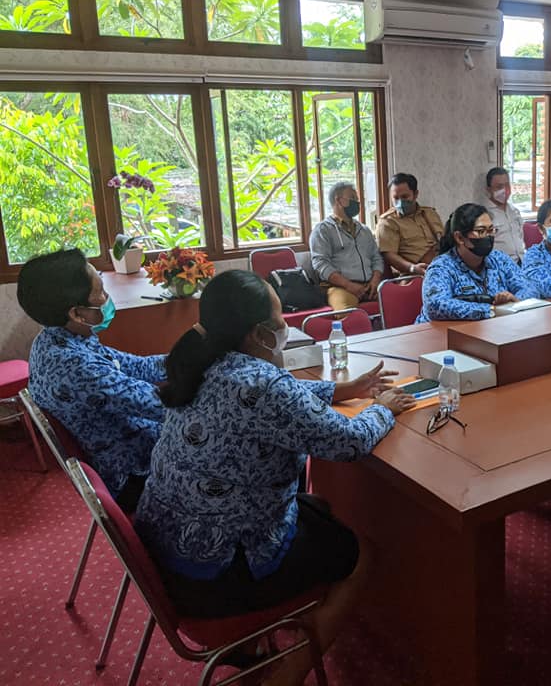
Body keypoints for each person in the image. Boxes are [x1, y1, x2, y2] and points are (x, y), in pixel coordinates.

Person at [136, 269, 415, 686]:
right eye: (280, 319)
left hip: (169, 550)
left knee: (318, 508)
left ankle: (253, 644)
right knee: (361, 554)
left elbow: (278, 401)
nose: (286, 325)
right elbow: (348, 442)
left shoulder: (199, 361)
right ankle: (287, 674)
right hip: (219, 572)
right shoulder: (260, 382)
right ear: (258, 334)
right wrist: (384, 407)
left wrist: (346, 389)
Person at [17, 248, 165, 511]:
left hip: (130, 442)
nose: (107, 299)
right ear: (77, 313)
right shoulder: (73, 366)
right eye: (100, 293)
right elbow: (160, 405)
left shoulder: (59, 339)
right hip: (134, 471)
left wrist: (191, 356)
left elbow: (138, 366)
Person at [416, 203, 538, 322]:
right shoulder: (442, 267)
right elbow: (435, 304)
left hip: (491, 330)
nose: (488, 236)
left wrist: (513, 302)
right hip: (440, 335)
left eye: (491, 230)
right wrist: (492, 310)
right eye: (481, 231)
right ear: (459, 238)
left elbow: (530, 288)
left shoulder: (499, 259)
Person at [310, 181, 383, 311]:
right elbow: (320, 264)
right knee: (348, 315)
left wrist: (375, 281)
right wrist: (348, 285)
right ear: (338, 200)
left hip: (369, 285)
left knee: (396, 303)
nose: (357, 203)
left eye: (357, 199)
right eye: (353, 198)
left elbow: (376, 257)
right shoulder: (323, 230)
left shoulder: (364, 230)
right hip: (341, 288)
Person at [376, 173, 445, 276]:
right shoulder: (387, 222)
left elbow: (444, 240)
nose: (400, 202)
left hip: (443, 266)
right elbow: (389, 255)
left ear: (415, 194)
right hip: (415, 274)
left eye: (405, 197)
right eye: (396, 198)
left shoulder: (430, 214)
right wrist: (412, 268)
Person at [485, 167, 526, 263]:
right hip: (500, 266)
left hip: (521, 262)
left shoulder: (514, 211)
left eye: (507, 186)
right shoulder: (485, 214)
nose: (504, 190)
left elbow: (520, 236)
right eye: (499, 187)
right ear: (488, 189)